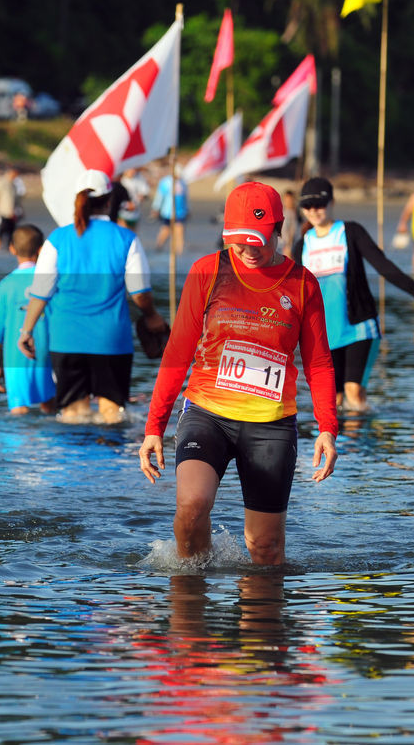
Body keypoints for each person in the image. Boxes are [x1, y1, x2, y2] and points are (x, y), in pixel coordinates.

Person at [138, 181, 338, 565]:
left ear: (278, 230)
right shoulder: (207, 271)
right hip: (207, 414)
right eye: (238, 239)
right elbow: (177, 354)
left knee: (265, 549)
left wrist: (328, 427)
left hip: (270, 424)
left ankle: (261, 620)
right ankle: (191, 606)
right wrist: (153, 428)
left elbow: (319, 363)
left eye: (257, 240)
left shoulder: (303, 285)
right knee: (192, 508)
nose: (246, 249)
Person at [19, 169, 167, 423]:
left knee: (73, 416)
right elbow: (139, 292)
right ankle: (109, 463)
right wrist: (152, 316)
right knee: (113, 415)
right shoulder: (126, 238)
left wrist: (26, 331)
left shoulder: (57, 239)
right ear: (110, 201)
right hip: (111, 339)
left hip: (66, 339)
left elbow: (41, 291)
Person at [290, 177, 414, 412]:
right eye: (308, 206)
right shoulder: (302, 246)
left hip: (359, 327)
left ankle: (364, 447)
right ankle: (344, 447)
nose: (314, 211)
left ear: (332, 202)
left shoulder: (351, 232)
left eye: (319, 204)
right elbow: (293, 294)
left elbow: (383, 265)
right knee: (334, 401)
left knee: (354, 393)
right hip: (324, 335)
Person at [0, 224, 56, 414]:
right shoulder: (51, 281)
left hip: (13, 358)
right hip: (48, 355)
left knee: (18, 411)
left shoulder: (4, 286)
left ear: (12, 249)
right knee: (50, 407)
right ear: (41, 250)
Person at [0, 168, 24, 251]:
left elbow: (16, 200)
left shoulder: (13, 185)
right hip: (2, 212)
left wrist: (21, 211)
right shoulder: (0, 182)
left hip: (12, 213)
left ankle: (8, 248)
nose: (15, 177)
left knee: (11, 233)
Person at [151, 174, 189, 252]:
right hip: (167, 211)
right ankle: (159, 246)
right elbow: (160, 196)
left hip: (180, 212)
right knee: (166, 230)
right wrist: (156, 208)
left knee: (180, 230)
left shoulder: (183, 183)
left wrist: (188, 209)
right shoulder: (165, 182)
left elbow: (186, 197)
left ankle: (180, 251)